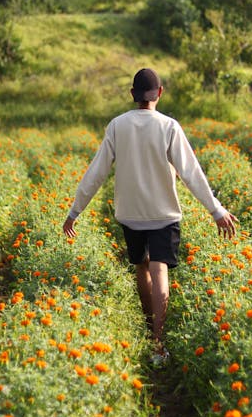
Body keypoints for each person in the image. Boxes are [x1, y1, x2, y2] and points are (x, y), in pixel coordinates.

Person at [63, 68, 237, 365]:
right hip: (163, 213)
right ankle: (158, 341)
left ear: (132, 95)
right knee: (160, 272)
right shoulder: (169, 126)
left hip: (130, 213)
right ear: (160, 93)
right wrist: (215, 210)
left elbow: (97, 171)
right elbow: (190, 172)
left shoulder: (117, 125)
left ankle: (149, 327)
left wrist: (75, 211)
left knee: (141, 267)